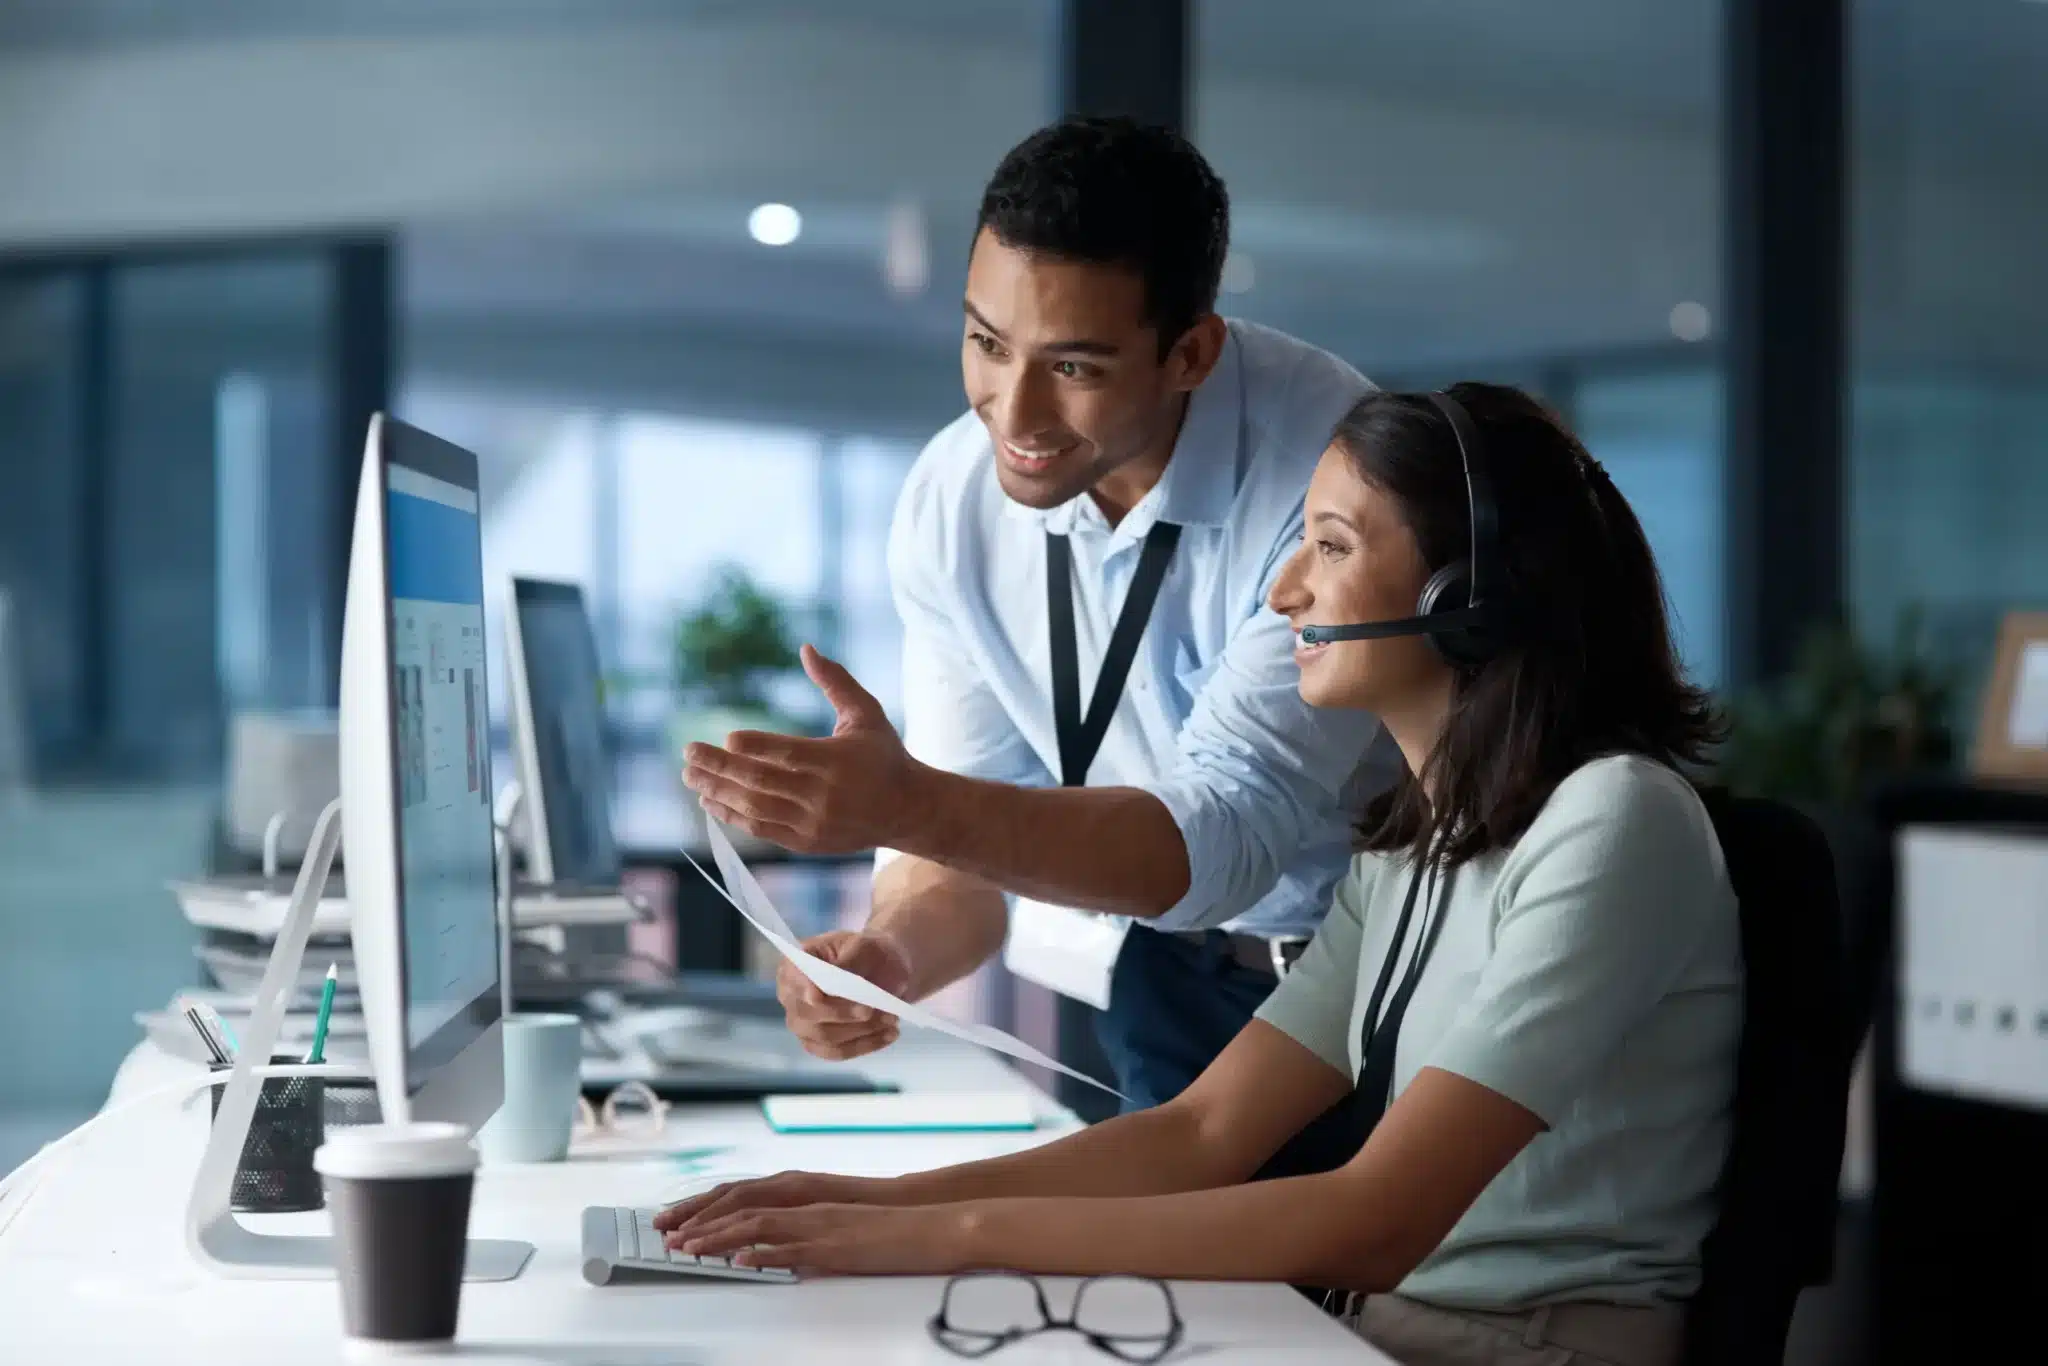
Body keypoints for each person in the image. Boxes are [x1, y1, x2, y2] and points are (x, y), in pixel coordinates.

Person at [657, 384, 1742, 1366]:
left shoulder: (1611, 821)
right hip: (1384, 1333)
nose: (1283, 593)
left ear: (1470, 596)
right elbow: (1201, 1130)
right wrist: (862, 1203)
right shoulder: (1415, 843)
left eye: (1326, 545)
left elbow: (1377, 1218)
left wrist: (935, 1238)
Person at [681, 116, 1392, 1168]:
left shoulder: (1331, 472)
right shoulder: (951, 498)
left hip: (1371, 995)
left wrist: (905, 802)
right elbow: (960, 869)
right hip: (1163, 970)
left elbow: (1228, 844)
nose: (1010, 411)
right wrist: (887, 954)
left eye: (1072, 365)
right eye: (983, 341)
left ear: (1190, 352)